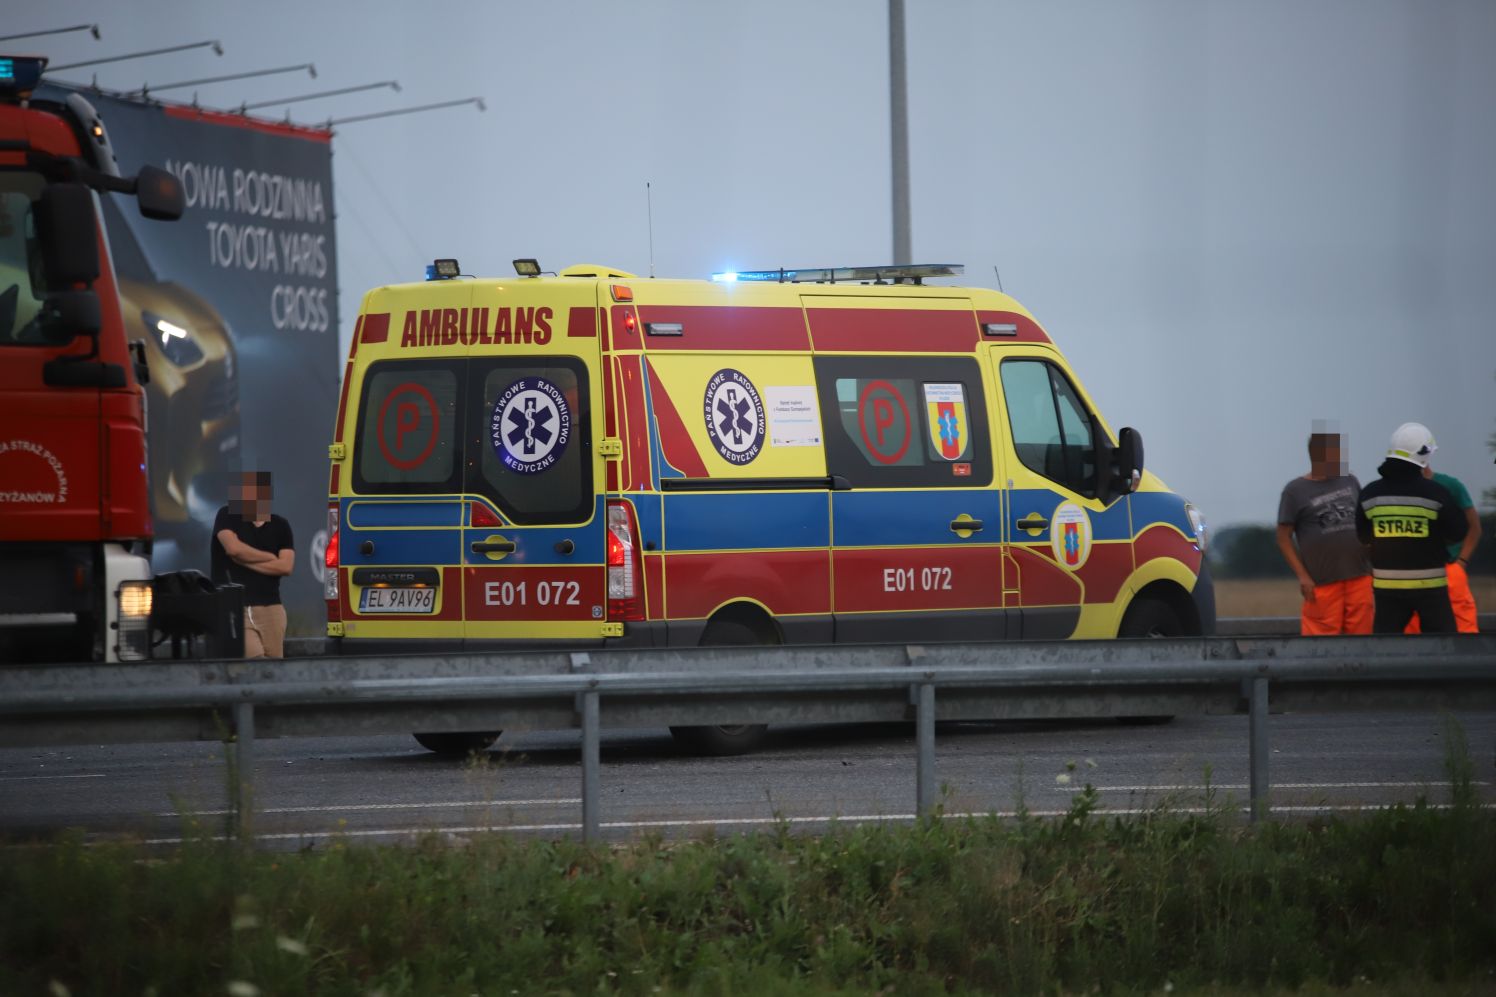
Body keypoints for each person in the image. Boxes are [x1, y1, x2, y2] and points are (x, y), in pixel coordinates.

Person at [1356, 423, 1468, 634]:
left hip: (1386, 591)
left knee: (1386, 653)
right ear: (1423, 456)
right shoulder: (1436, 493)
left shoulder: (1370, 494)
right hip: (1431, 590)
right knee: (1444, 652)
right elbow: (1458, 532)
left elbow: (1363, 537)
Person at [1276, 430, 1373, 635]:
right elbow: (1283, 537)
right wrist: (1303, 576)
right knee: (1321, 643)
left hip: (1360, 577)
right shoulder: (1295, 490)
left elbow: (1365, 520)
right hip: (1322, 584)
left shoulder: (1350, 481)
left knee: (1362, 638)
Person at [211, 470, 295, 658]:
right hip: (237, 606)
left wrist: (244, 561)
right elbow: (233, 549)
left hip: (272, 607)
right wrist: (269, 557)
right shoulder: (227, 516)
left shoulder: (280, 525)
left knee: (275, 665)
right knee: (255, 659)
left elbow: (286, 566)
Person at [1405, 455, 1483, 634]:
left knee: (1463, 630)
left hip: (1449, 569)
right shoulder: (1402, 489)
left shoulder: (1451, 485)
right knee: (1412, 632)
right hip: (1414, 572)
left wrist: (1461, 563)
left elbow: (1475, 527)